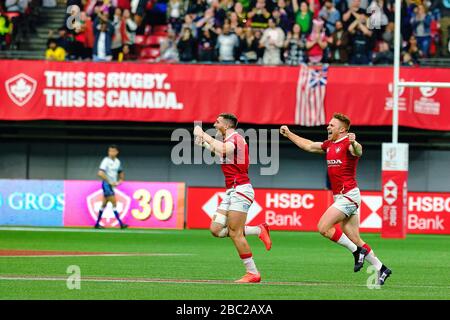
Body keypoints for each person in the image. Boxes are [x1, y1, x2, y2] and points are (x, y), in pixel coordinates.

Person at [279, 113, 392, 286]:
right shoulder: (330, 144)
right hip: (344, 197)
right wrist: (289, 134)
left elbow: (358, 150)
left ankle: (356, 252)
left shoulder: (348, 143)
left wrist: (354, 142)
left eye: (332, 125)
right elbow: (309, 146)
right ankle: (381, 268)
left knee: (323, 228)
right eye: (329, 125)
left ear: (342, 129)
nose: (328, 127)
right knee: (355, 238)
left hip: (348, 196)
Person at [193, 114, 272, 283]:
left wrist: (203, 134)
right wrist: (204, 144)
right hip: (232, 191)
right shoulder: (230, 141)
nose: (214, 124)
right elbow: (220, 151)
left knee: (236, 233)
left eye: (217, 122)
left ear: (227, 125)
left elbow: (223, 149)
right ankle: (258, 230)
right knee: (215, 229)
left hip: (241, 190)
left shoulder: (236, 138)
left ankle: (252, 273)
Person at [95, 145, 128, 229]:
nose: (111, 153)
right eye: (109, 151)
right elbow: (100, 173)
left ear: (117, 152)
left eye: (113, 151)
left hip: (112, 186)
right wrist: (109, 182)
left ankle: (97, 224)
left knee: (104, 204)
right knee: (114, 203)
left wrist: (120, 180)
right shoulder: (105, 161)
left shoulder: (117, 162)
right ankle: (121, 224)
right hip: (106, 185)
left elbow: (120, 172)